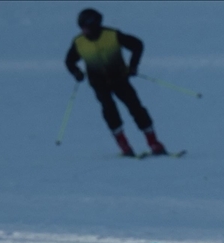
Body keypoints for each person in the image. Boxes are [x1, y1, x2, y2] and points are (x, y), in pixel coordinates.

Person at [65, 8, 167, 156]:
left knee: (136, 108)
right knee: (109, 111)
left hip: (120, 79)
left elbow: (137, 45)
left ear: (95, 24)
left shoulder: (112, 35)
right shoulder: (79, 42)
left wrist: (133, 66)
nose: (84, 31)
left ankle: (154, 142)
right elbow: (69, 61)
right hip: (99, 83)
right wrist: (76, 73)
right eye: (82, 28)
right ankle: (124, 145)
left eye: (86, 27)